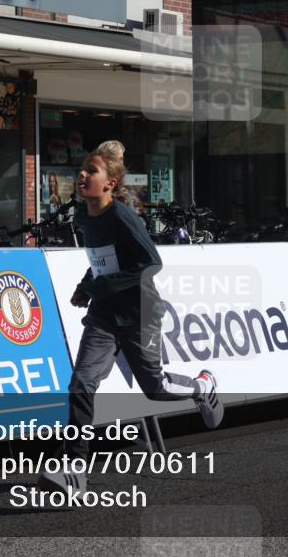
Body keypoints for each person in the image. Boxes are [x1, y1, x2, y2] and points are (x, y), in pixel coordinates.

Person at [39, 140, 223, 495]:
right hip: (104, 318)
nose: (82, 175)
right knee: (80, 384)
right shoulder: (82, 215)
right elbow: (101, 259)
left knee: (155, 389)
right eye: (82, 170)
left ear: (109, 183)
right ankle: (75, 470)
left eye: (91, 171)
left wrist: (102, 286)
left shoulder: (122, 216)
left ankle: (202, 386)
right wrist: (85, 285)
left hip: (140, 314)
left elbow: (151, 263)